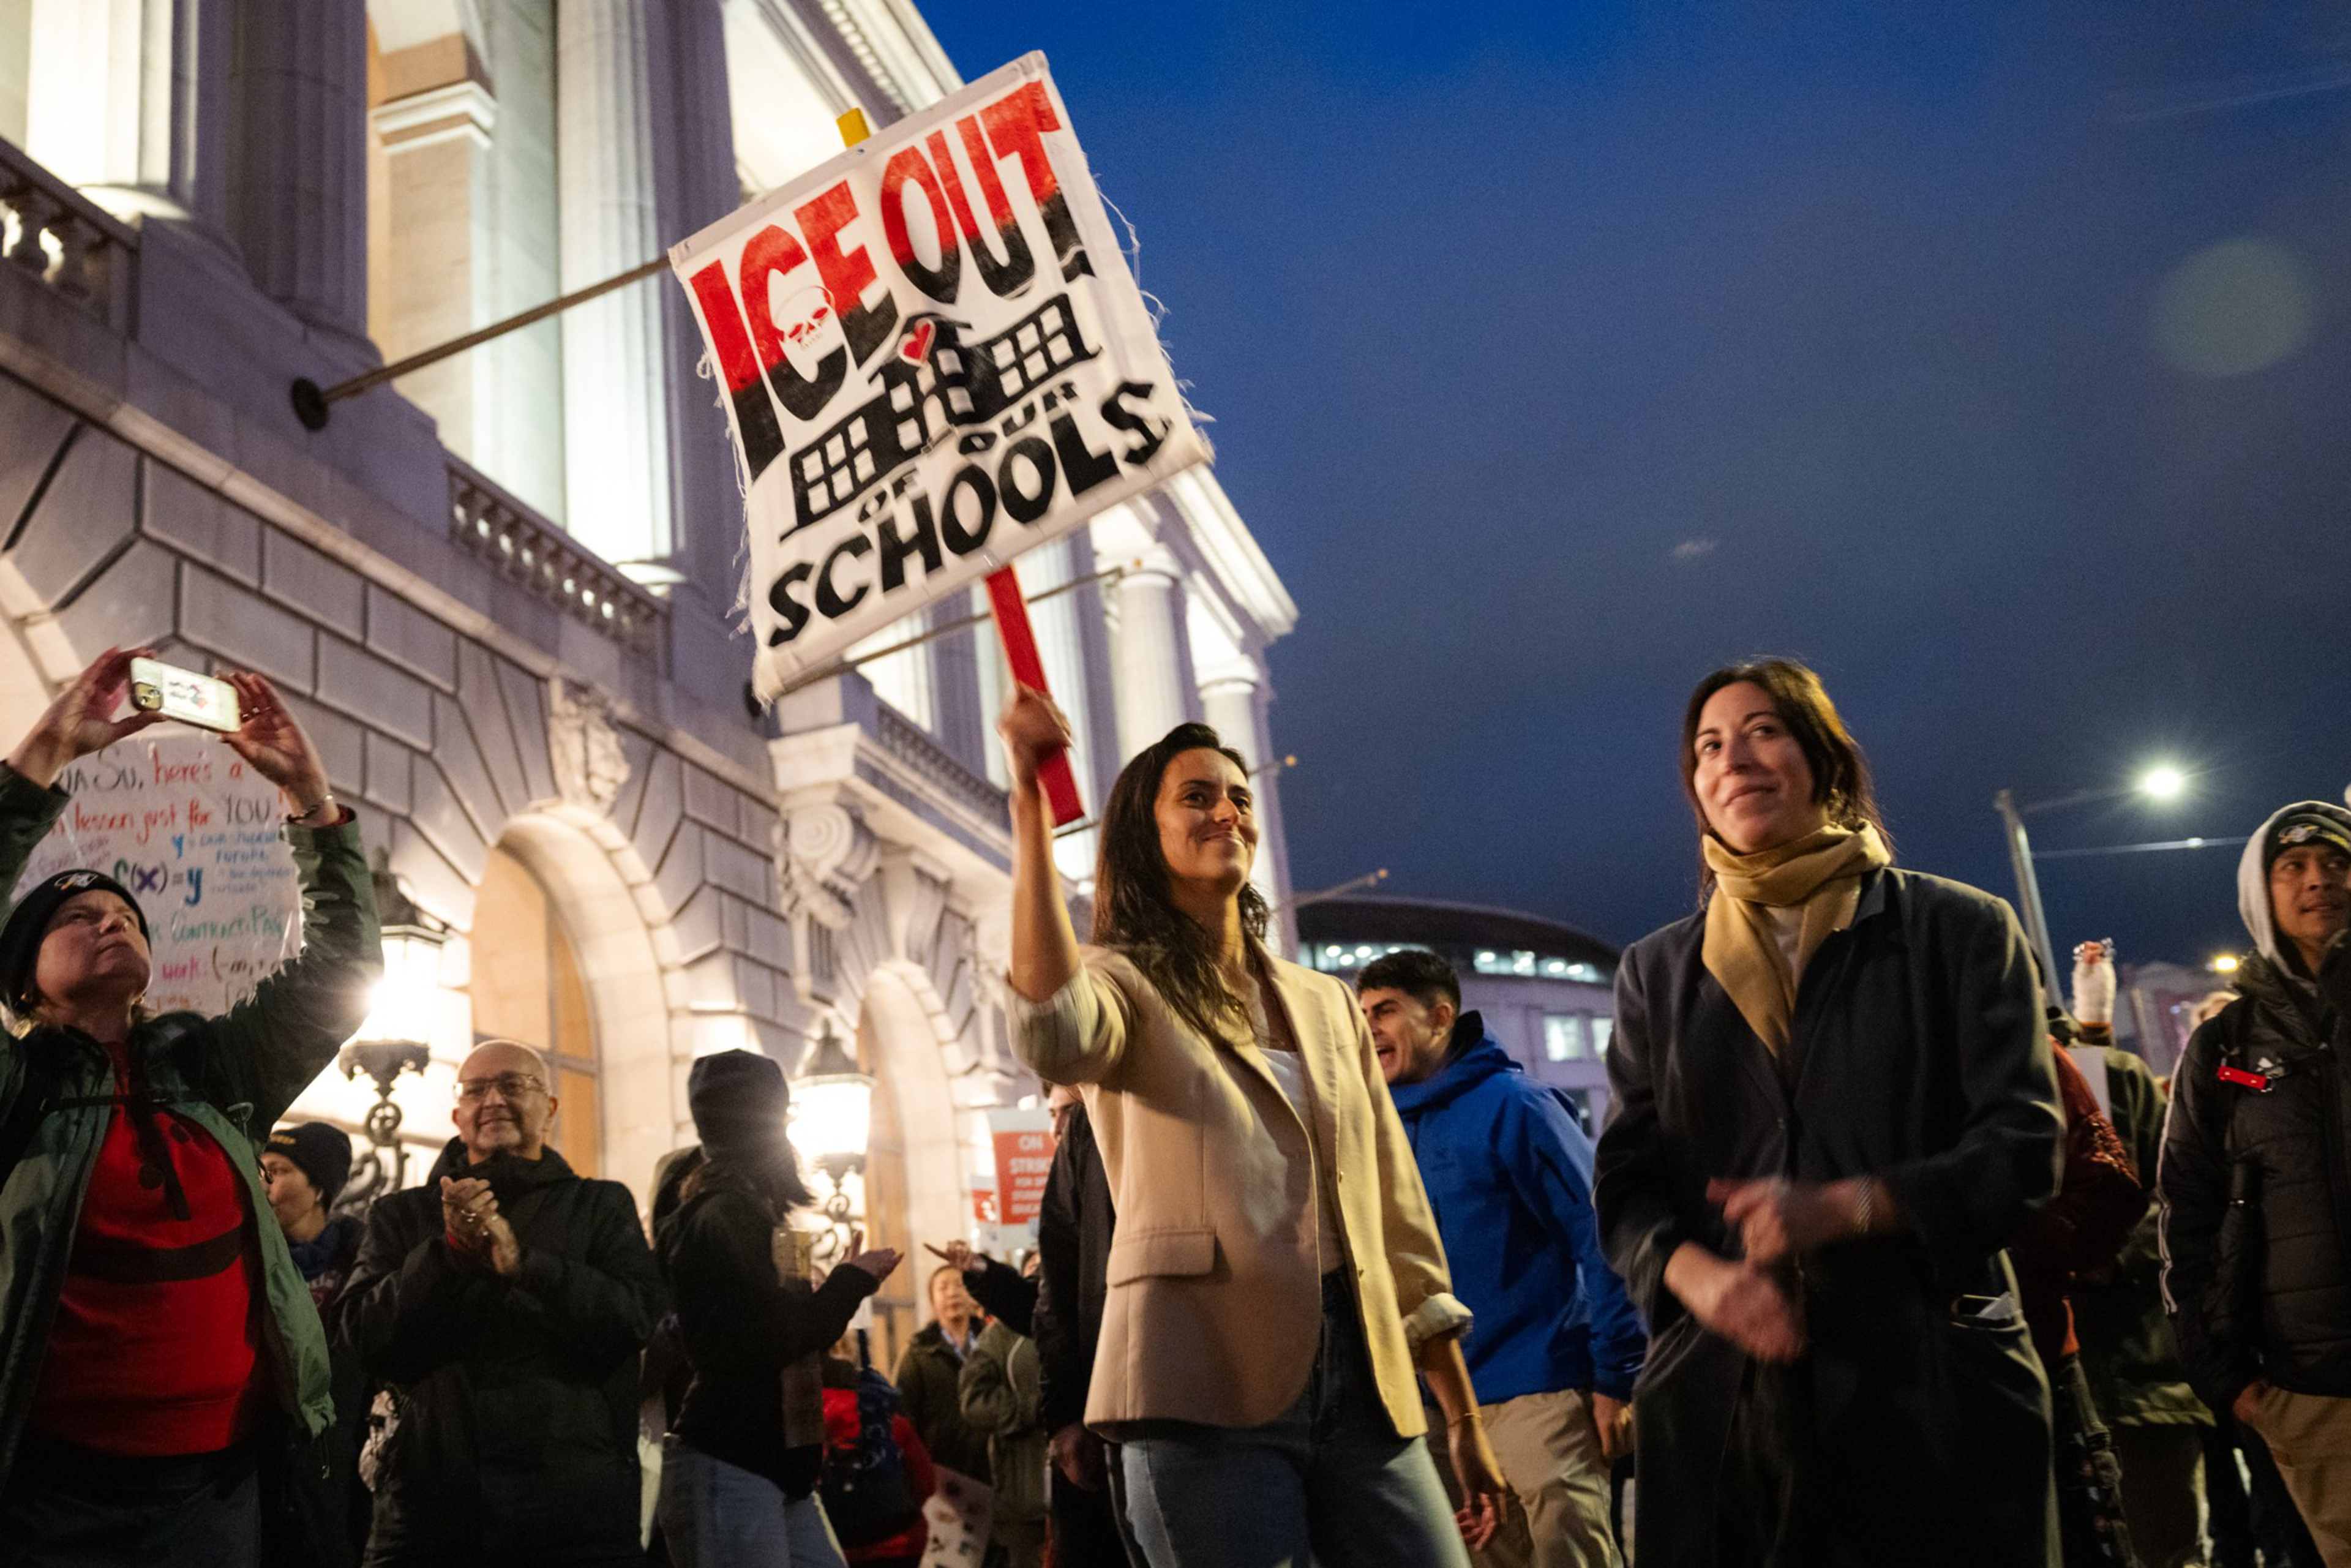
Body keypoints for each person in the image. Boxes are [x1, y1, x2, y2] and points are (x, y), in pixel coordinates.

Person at [1000, 692, 1506, 1568]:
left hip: (1365, 1384)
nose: (1225, 810)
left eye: (1236, 795)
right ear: (1143, 833)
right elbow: (1048, 1026)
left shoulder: (1324, 1001)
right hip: (1197, 1387)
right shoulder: (1120, 981)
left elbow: (1394, 1212)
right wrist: (1032, 807)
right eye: (1196, 796)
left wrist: (1460, 1416)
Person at [1594, 658, 2063, 1567]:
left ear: (1826, 762)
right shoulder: (1655, 971)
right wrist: (1696, 1276)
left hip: (1930, 1384)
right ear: (1696, 788)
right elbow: (1625, 1183)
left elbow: (2024, 1148)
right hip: (1727, 1408)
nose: (1736, 759)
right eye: (1710, 746)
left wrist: (1851, 1207)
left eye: (1764, 730)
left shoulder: (1957, 929)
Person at [0, 646, 381, 1564]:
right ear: (22, 984)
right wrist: (43, 757)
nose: (112, 920)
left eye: (126, 915)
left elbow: (342, 969)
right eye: (75, 916)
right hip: (49, 1490)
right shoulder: (19, 1090)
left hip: (215, 1489)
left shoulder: (211, 1068)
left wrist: (311, 799)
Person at [1359, 946, 1646, 1568]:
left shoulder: (1519, 1105)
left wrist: (1616, 1378)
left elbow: (1604, 1238)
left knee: (1572, 1553)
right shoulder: (1371, 1128)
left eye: (1386, 1009)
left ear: (1440, 1017)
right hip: (1435, 1406)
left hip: (1540, 1391)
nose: (1369, 1025)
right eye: (1362, 1013)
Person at [339, 1038, 665, 1566]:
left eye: (512, 1085)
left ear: (550, 1108)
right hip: (432, 1516)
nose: (493, 1100)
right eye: (476, 1090)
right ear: (457, 1114)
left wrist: (526, 1266)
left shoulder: (599, 1206)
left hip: (572, 1515)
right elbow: (361, 1334)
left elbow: (636, 1317)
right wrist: (445, 1256)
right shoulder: (402, 1215)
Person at [2160, 801, 2351, 1564]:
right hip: (2303, 1392)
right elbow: (2187, 1209)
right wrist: (2223, 1374)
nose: (2319, 881)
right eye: (2293, 867)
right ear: (2260, 891)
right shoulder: (2225, 1046)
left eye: (2338, 864)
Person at [654, 1049, 904, 1568]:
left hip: (773, 1466)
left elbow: (765, 1336)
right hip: (732, 1461)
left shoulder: (744, 1208)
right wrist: (850, 1282)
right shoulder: (727, 1212)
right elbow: (777, 1335)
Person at [2065, 944, 2216, 1568]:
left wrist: (2110, 1252)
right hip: (2035, 1382)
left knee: (2167, 1545)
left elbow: (2176, 1197)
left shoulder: (2110, 1073)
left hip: (2139, 1376)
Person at [1030, 1084, 1136, 1568]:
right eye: (1055, 1114)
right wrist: (1067, 1415)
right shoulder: (1082, 1144)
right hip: (1108, 1415)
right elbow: (1059, 1286)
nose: (1058, 1125)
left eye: (1067, 1111)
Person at [962, 1264, 1050, 1568]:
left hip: (1080, 1489)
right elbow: (974, 1402)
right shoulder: (998, 1337)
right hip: (1023, 1497)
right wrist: (1031, 1408)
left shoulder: (1073, 1323)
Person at [820, 1341, 934, 1568]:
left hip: (840, 1549)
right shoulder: (892, 1423)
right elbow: (926, 1483)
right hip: (901, 1543)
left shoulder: (812, 1430)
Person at [895, 1261, 995, 1499]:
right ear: (932, 1300)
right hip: (942, 1475)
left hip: (994, 1470)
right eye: (943, 1288)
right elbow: (904, 1416)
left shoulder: (992, 1343)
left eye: (959, 1286)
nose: (952, 1293)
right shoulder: (918, 1352)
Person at [264, 1122, 364, 1313]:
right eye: (260, 1171)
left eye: (277, 1171)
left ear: (319, 1189)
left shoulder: (360, 1257)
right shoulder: (248, 1251)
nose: (263, 1183)